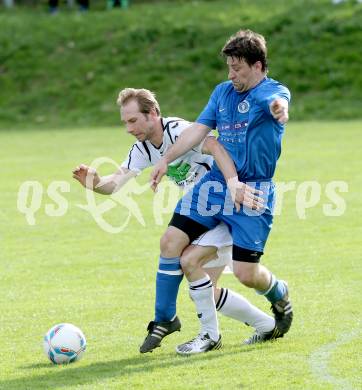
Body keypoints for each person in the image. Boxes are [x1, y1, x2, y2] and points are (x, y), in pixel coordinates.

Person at [72, 87, 278, 354]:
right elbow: (114, 184)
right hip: (202, 215)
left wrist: (232, 183)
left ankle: (202, 333)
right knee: (207, 290)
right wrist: (94, 182)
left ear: (153, 113)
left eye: (133, 120)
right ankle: (266, 326)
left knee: (187, 259)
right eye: (125, 122)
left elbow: (214, 144)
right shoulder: (143, 148)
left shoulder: (178, 130)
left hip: (227, 209)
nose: (128, 128)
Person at [148, 29, 293, 355]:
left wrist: (280, 110)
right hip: (215, 185)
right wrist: (165, 160)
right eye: (228, 67)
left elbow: (279, 103)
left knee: (246, 274)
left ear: (257, 65)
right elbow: (199, 130)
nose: (231, 75)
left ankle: (279, 293)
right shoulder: (222, 93)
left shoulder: (272, 92)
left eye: (238, 68)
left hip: (253, 191)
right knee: (172, 242)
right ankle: (171, 321)